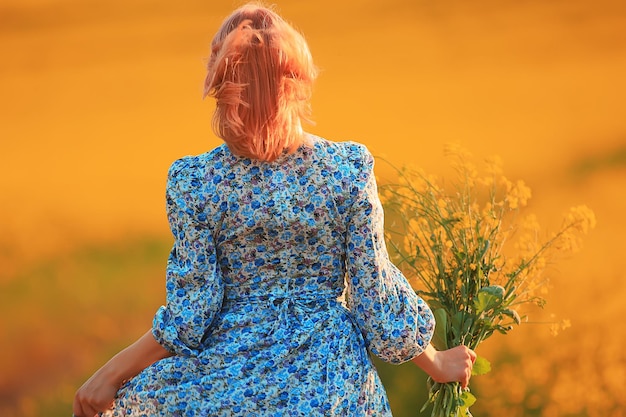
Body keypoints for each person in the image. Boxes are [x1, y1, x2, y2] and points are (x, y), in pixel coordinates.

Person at [73, 3, 476, 416]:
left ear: (221, 83)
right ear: (296, 81)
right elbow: (373, 294)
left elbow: (192, 312)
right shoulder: (347, 169)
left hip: (228, 386)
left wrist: (110, 374)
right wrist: (438, 362)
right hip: (330, 385)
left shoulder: (194, 181)